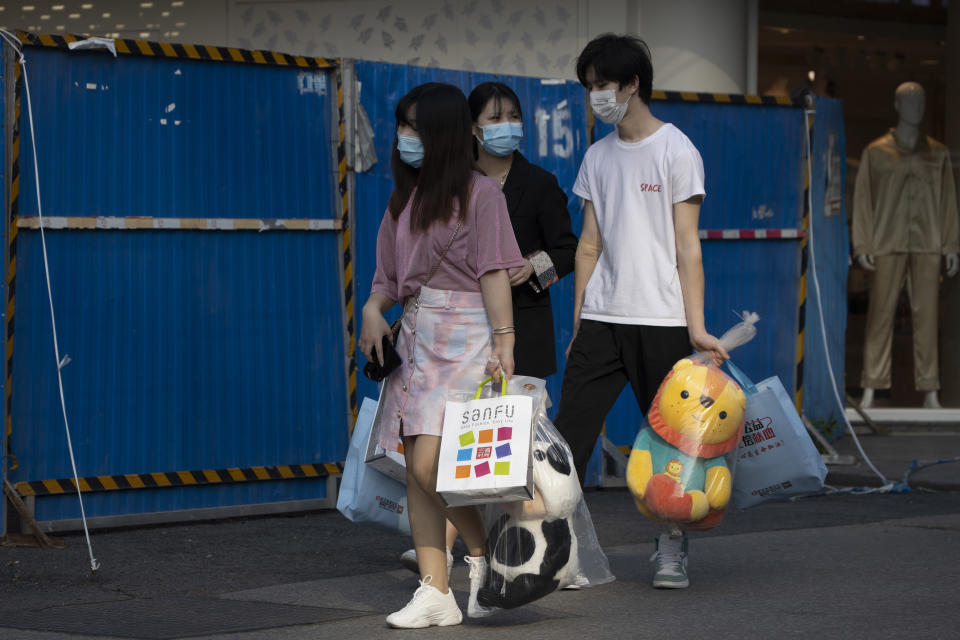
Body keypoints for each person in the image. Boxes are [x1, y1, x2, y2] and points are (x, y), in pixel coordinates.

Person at [552, 34, 727, 591]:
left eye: (602, 85)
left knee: (673, 449)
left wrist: (696, 328)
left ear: (632, 85)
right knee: (567, 439)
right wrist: (579, 320)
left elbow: (687, 247)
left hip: (664, 321)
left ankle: (671, 546)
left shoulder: (677, 150)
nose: (595, 97)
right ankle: (554, 548)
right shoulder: (597, 156)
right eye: (588, 87)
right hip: (603, 319)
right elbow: (587, 247)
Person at [359, 82, 525, 629]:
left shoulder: (481, 195)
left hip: (464, 336)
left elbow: (494, 268)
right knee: (414, 466)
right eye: (401, 126)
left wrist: (504, 340)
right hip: (415, 336)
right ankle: (436, 589)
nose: (406, 137)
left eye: (415, 127)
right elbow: (387, 278)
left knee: (434, 465)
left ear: (442, 133)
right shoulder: (402, 200)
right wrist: (372, 309)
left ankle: (482, 554)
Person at [398, 80, 578, 576]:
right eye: (494, 118)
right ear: (472, 128)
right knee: (461, 449)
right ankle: (449, 541)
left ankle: (545, 547)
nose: (506, 127)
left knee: (504, 449)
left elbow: (566, 248)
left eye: (512, 116)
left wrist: (534, 266)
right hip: (452, 334)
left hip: (519, 324)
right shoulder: (450, 185)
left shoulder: (538, 183)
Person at [853, 81, 959, 409]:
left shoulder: (938, 154)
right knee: (879, 317)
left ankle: (930, 391)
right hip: (886, 241)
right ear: (897, 106)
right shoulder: (875, 152)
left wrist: (951, 243)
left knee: (927, 318)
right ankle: (871, 386)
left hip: (928, 242)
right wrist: (862, 243)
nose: (917, 107)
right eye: (909, 101)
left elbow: (948, 202)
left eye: (921, 101)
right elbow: (863, 201)